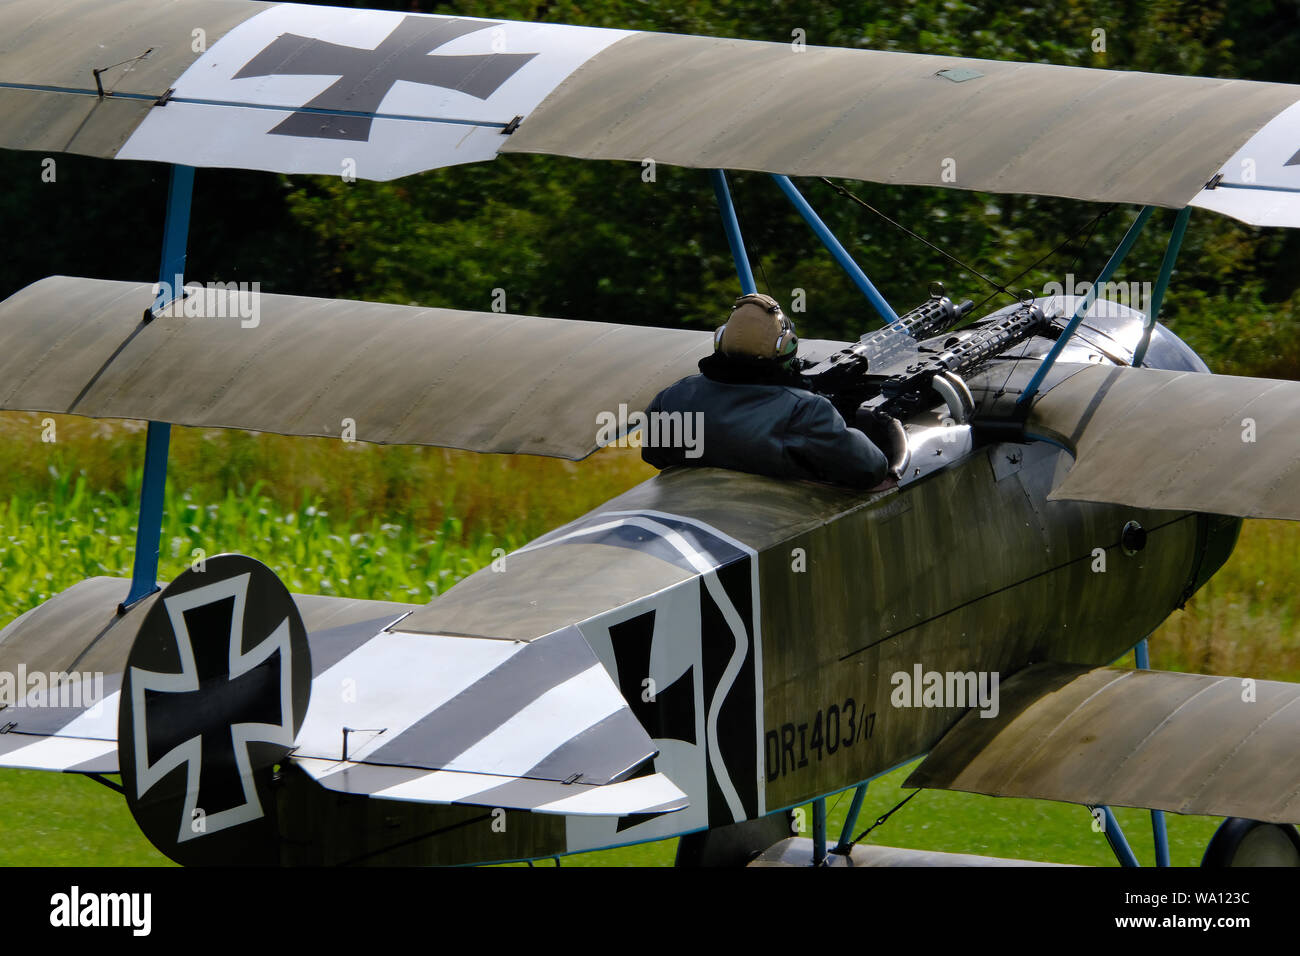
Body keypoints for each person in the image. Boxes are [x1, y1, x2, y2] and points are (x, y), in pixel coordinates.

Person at [641, 293, 902, 490]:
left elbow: (653, 454)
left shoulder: (673, 397)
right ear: (785, 347)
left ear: (720, 340)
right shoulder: (806, 412)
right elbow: (871, 468)